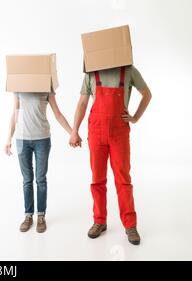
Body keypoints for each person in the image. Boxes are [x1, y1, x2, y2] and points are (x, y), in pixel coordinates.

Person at [69, 66, 152, 245]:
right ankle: (99, 221)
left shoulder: (128, 70)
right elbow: (82, 103)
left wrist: (135, 117)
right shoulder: (92, 71)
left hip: (119, 133)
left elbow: (147, 94)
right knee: (97, 179)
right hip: (96, 131)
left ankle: (130, 225)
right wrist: (74, 131)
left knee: (123, 179)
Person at [5, 90, 72, 233]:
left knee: (40, 179)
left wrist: (72, 132)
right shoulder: (18, 86)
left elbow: (57, 114)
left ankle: (41, 215)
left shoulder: (46, 85)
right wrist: (8, 139)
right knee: (27, 180)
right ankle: (28, 216)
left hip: (42, 139)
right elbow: (15, 113)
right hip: (22, 140)